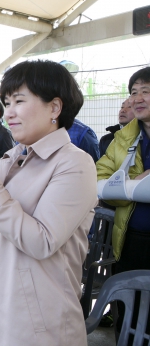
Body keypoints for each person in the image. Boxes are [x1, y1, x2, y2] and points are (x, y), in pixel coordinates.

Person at [0, 60, 97, 346]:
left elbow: (41, 241)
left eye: (19, 101)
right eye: (7, 102)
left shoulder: (75, 163)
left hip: (40, 326)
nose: (9, 112)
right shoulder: (9, 160)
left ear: (54, 108)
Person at [96, 67, 150, 337]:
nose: (137, 98)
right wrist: (133, 185)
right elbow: (99, 180)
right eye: (133, 92)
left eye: (146, 91)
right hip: (130, 240)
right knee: (129, 315)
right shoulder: (122, 139)